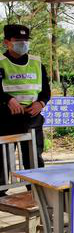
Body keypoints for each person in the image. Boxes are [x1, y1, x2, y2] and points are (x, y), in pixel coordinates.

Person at [0, 24, 50, 196]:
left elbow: (45, 91)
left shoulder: (36, 63)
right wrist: (7, 100)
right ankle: (1, 196)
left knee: (34, 158)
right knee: (3, 159)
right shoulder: (1, 62)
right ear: (7, 42)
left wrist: (41, 103)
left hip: (32, 117)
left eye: (25, 40)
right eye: (18, 40)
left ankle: (38, 194)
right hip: (6, 118)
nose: (23, 43)